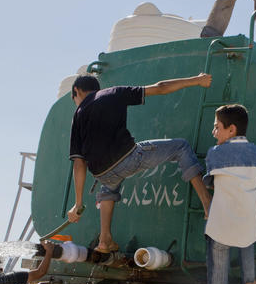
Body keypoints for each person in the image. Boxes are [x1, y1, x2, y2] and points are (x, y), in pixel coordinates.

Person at [66, 73, 214, 255]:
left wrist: (78, 203)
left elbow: (79, 162)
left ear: (76, 91)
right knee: (181, 147)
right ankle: (208, 205)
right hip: (129, 159)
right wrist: (196, 80)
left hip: (102, 173)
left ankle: (105, 240)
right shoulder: (113, 93)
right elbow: (160, 87)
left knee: (108, 188)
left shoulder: (78, 114)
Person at [203, 104, 256, 284]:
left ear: (231, 129)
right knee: (251, 283)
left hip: (221, 228)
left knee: (218, 283)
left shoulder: (216, 154)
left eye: (217, 127)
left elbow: (209, 184)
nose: (214, 132)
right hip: (249, 228)